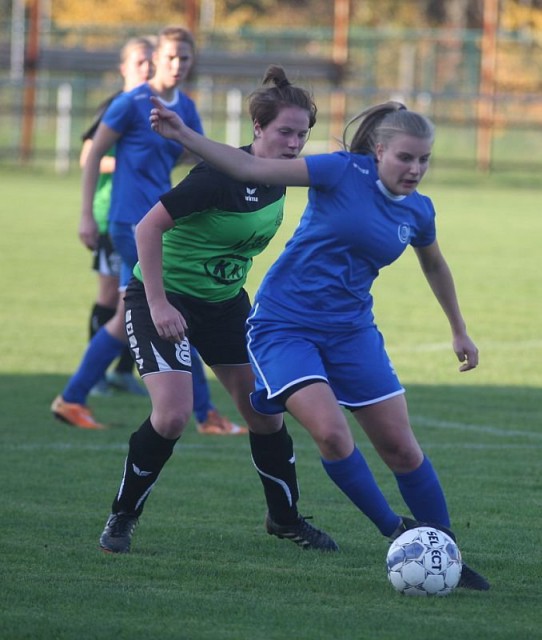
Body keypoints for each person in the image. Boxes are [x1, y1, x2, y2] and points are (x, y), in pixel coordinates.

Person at [146, 98, 490, 590]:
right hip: (284, 326)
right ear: (378, 151)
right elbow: (248, 164)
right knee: (331, 434)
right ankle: (397, 533)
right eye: (405, 158)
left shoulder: (419, 210)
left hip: (352, 331)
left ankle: (444, 550)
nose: (415, 169)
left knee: (401, 449)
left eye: (424, 160)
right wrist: (183, 134)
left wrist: (458, 327)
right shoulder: (339, 172)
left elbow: (433, 263)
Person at [98, 65, 338, 555]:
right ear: (258, 129)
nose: (295, 143)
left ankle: (284, 519)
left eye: (302, 134)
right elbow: (148, 229)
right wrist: (160, 303)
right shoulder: (219, 176)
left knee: (265, 413)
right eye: (285, 132)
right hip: (161, 299)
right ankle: (122, 517)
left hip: (225, 306)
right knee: (172, 416)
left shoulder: (280, 178)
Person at [51, 26, 243, 434]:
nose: (177, 65)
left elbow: (192, 150)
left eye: (185, 58)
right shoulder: (130, 102)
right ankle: (205, 414)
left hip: (161, 221)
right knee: (170, 307)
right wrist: (87, 215)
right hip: (130, 224)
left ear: (192, 63)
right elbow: (93, 155)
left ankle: (72, 398)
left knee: (128, 318)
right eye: (170, 56)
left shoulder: (186, 106)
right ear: (156, 58)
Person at [80, 36, 154, 398]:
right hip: (114, 216)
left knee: (135, 295)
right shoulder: (118, 105)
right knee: (113, 296)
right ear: (123, 67)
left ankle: (123, 372)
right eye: (141, 62)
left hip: (144, 217)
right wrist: (130, 161)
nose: (148, 68)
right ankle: (93, 376)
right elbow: (87, 156)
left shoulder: (155, 104)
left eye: (151, 62)